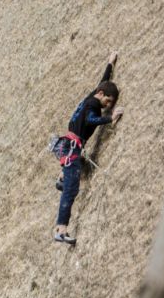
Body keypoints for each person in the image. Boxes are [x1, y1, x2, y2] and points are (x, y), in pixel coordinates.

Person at [52, 54, 123, 245]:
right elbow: (91, 120)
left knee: (71, 174)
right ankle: (61, 229)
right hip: (71, 149)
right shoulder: (93, 105)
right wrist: (110, 118)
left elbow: (103, 80)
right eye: (108, 101)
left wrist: (110, 63)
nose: (108, 105)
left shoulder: (92, 96)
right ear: (101, 94)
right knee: (71, 189)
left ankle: (61, 179)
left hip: (67, 144)